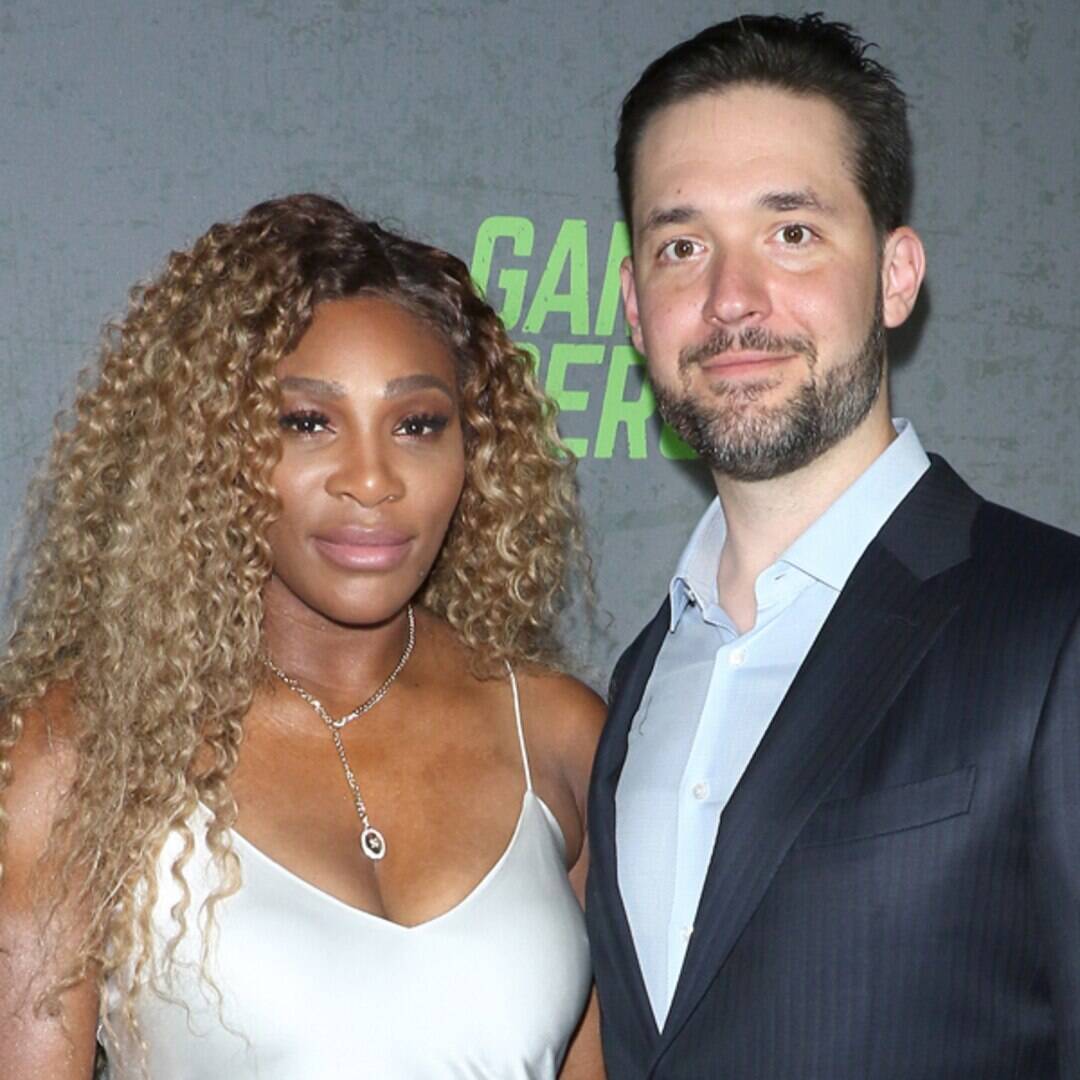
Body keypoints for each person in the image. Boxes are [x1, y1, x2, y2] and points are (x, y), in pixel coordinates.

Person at [0, 193, 605, 1079]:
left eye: (417, 425)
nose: (371, 479)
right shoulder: (76, 756)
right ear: (212, 449)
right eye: (307, 422)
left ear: (474, 451)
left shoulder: (556, 734)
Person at [585, 14, 1080, 1079]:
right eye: (682, 247)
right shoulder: (639, 681)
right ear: (633, 306)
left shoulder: (1056, 628)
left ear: (897, 276)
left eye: (793, 233)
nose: (731, 299)